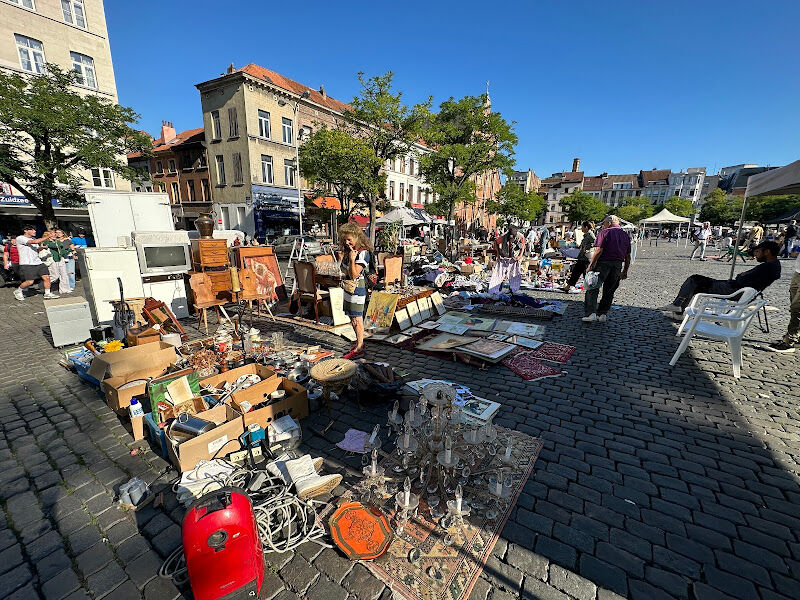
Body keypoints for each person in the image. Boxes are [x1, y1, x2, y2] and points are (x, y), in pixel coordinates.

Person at [660, 241, 781, 315]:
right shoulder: (773, 266)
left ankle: (678, 305)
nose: (756, 254)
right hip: (740, 291)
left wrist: (741, 275)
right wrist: (742, 276)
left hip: (735, 291)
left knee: (694, 280)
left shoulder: (767, 267)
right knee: (696, 283)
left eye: (758, 251)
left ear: (767, 252)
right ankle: (679, 308)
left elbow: (741, 279)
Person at [582, 215, 631, 323]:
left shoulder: (605, 232)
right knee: (609, 291)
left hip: (603, 263)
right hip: (617, 265)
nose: (603, 225)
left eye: (604, 223)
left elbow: (598, 250)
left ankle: (591, 313)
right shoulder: (625, 235)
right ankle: (602, 313)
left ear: (609, 223)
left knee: (592, 287)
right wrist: (625, 271)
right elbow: (628, 256)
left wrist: (591, 265)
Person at [337, 222, 371, 360]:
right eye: (344, 239)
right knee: (352, 317)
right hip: (349, 287)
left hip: (357, 287)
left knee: (357, 318)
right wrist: (341, 260)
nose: (346, 242)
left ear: (357, 237)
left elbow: (354, 274)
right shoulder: (349, 252)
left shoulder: (363, 253)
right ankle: (358, 343)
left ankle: (360, 347)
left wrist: (351, 260)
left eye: (349, 239)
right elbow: (344, 271)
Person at [766, 248, 800, 352]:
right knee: (794, 306)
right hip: (798, 272)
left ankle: (790, 339)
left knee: (797, 308)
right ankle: (796, 336)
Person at [14, 225, 59, 300]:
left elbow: (36, 247)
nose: (34, 231)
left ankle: (47, 293)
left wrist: (43, 247)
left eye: (35, 230)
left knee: (47, 277)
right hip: (27, 263)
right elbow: (34, 242)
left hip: (38, 262)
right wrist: (48, 236)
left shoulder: (33, 238)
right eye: (32, 230)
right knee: (30, 282)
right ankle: (18, 291)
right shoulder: (20, 238)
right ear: (26, 231)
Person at [489, 224, 525, 295]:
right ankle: (497, 288)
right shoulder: (504, 237)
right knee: (500, 273)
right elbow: (495, 242)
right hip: (505, 257)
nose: (511, 241)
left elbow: (523, 245)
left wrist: (520, 256)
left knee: (513, 274)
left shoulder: (520, 237)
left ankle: (512, 290)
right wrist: (498, 254)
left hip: (515, 257)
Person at [563, 221, 595, 293]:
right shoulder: (586, 235)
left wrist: (587, 248)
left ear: (586, 227)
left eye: (582, 227)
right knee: (576, 272)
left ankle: (590, 289)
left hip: (586, 258)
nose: (581, 229)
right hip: (582, 257)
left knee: (585, 273)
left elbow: (595, 242)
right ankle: (569, 286)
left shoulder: (590, 234)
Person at [44, 230, 72, 294]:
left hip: (60, 259)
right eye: (53, 234)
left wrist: (70, 250)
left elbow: (62, 251)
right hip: (52, 260)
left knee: (64, 275)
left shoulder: (57, 242)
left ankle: (64, 289)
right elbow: (54, 246)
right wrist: (62, 240)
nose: (55, 235)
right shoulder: (46, 242)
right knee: (54, 275)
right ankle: (43, 285)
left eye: (54, 234)